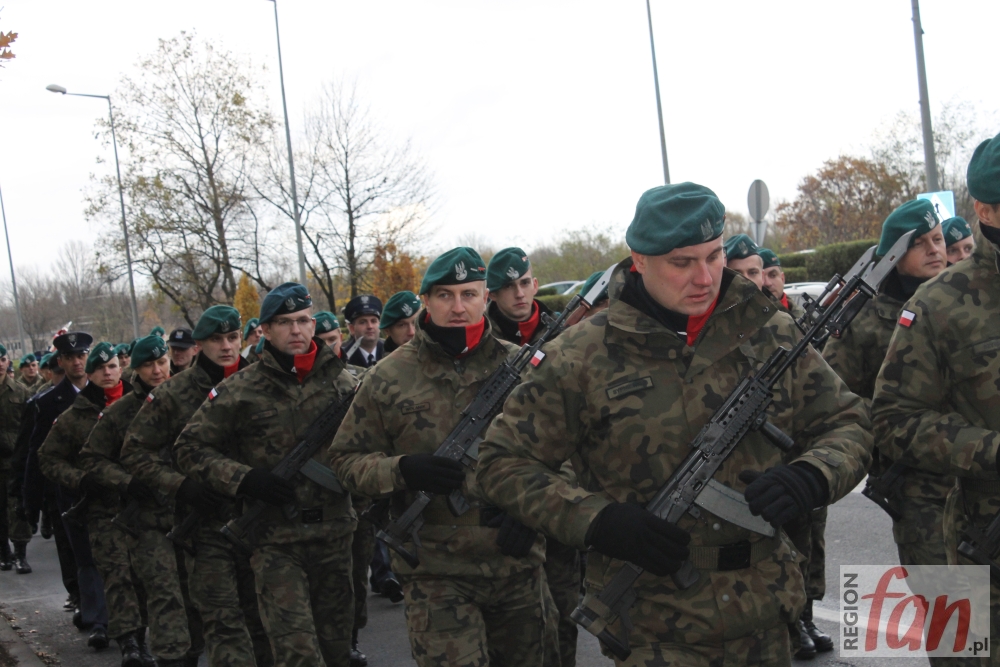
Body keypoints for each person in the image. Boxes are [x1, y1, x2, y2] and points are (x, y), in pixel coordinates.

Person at [475, 183, 873, 667]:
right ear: (639, 260)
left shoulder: (770, 332)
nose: (704, 277)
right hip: (653, 624)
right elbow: (502, 463)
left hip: (765, 611)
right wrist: (596, 520)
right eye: (682, 263)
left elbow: (848, 422)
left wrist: (814, 473)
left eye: (714, 256)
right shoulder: (581, 355)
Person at [329, 248, 558, 667]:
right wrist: (401, 469)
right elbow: (345, 460)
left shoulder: (524, 367)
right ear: (426, 301)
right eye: (445, 295)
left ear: (485, 297)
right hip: (434, 570)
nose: (458, 307)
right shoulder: (388, 375)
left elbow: (567, 454)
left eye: (468, 294)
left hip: (515, 563)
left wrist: (537, 512)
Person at [175, 285, 357, 667]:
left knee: (338, 650)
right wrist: (243, 479)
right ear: (266, 331)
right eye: (285, 323)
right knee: (297, 653)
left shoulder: (347, 384)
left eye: (303, 320)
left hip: (335, 535)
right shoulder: (239, 390)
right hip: (276, 541)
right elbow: (190, 448)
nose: (296, 330)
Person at [872, 133, 1000, 665]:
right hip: (981, 550)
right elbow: (894, 420)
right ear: (985, 211)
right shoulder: (941, 305)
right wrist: (991, 449)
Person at [122, 306, 270, 667]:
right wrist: (180, 485)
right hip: (206, 525)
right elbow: (135, 451)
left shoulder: (263, 382)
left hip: (262, 521)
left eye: (232, 337)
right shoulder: (174, 393)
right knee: (222, 620)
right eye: (216, 339)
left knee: (265, 620)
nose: (226, 346)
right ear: (199, 344)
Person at [79, 335, 189, 667]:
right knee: (163, 591)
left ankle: (192, 652)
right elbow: (92, 458)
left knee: (198, 594)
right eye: (148, 365)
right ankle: (169, 656)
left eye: (162, 362)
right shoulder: (121, 411)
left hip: (192, 512)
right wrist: (126, 482)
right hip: (147, 518)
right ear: (135, 370)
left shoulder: (191, 398)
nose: (157, 370)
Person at [39, 339, 128, 651]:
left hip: (139, 501)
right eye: (100, 368)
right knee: (96, 563)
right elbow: (46, 457)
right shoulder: (73, 413)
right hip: (96, 505)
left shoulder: (142, 402)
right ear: (90, 373)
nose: (108, 373)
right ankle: (103, 623)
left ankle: (138, 630)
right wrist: (81, 480)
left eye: (112, 366)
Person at [0, 343, 30, 572]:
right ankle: (4, 553)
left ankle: (21, 554)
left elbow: (30, 427)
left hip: (15, 461)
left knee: (18, 508)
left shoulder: (21, 392)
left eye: (2, 360)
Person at [485, 247, 555, 346]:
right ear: (492, 294)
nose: (519, 294)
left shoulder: (559, 328)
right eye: (508, 286)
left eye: (525, 283)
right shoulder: (480, 337)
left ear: (535, 285)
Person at [758, 248, 805, 321]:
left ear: (782, 278)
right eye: (761, 277)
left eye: (773, 275)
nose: (768, 283)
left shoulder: (803, 316)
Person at [342, 295, 384, 367]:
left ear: (380, 325)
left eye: (373, 321)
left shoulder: (392, 353)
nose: (370, 326)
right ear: (352, 329)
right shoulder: (343, 360)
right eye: (362, 322)